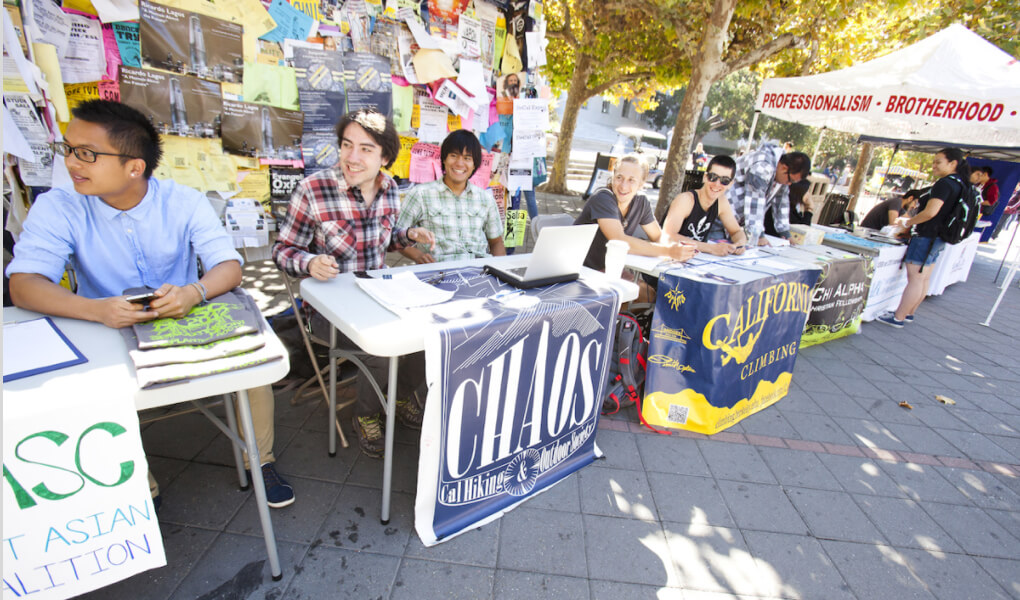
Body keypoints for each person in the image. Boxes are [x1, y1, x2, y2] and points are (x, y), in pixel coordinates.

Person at [5, 100, 295, 508]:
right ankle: (139, 488)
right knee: (91, 391)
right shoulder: (59, 206)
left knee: (254, 367)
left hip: (182, 316)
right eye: (67, 149)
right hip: (103, 326)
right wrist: (97, 310)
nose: (72, 163)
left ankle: (259, 460)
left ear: (134, 167)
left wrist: (193, 293)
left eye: (87, 154)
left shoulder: (184, 201)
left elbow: (228, 267)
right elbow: (24, 286)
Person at [272, 108, 436, 458]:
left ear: (385, 157)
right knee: (380, 344)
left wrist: (407, 235)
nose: (352, 157)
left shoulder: (390, 189)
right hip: (326, 310)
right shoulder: (312, 190)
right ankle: (367, 415)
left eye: (365, 149)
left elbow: (386, 238)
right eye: (347, 146)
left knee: (430, 332)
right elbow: (282, 250)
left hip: (378, 295)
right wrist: (309, 262)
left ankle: (403, 394)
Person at [574, 154, 696, 301]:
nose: (623, 186)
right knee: (644, 297)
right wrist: (669, 251)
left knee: (654, 297)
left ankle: (628, 323)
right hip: (582, 272)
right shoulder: (603, 198)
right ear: (612, 176)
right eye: (619, 177)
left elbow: (657, 236)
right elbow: (619, 240)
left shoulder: (641, 202)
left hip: (609, 272)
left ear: (642, 183)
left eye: (632, 180)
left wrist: (677, 247)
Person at [878, 148, 971, 328]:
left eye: (938, 162)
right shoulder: (961, 184)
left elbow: (930, 212)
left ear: (953, 164)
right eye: (934, 161)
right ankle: (909, 313)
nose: (934, 165)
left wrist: (907, 223)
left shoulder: (945, 184)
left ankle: (898, 317)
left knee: (915, 278)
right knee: (924, 277)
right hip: (939, 237)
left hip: (927, 236)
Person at [396, 130, 505, 263]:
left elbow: (496, 242)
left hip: (478, 271)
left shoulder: (485, 199)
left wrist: (500, 272)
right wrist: (418, 255)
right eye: (453, 155)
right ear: (444, 159)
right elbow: (396, 236)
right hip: (438, 274)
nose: (459, 163)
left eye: (467, 158)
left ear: (474, 164)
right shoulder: (420, 194)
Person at [726, 142, 811, 246]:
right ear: (784, 168)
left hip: (734, 221)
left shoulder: (781, 172)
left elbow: (782, 201)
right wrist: (758, 235)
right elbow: (755, 201)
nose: (789, 184)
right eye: (790, 180)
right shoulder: (762, 166)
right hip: (721, 215)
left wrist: (784, 232)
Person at [661, 154, 747, 256]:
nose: (717, 184)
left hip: (694, 260)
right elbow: (668, 236)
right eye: (713, 177)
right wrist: (710, 248)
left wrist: (739, 244)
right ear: (705, 177)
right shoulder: (686, 200)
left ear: (730, 184)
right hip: (667, 258)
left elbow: (736, 231)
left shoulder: (721, 202)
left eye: (724, 180)